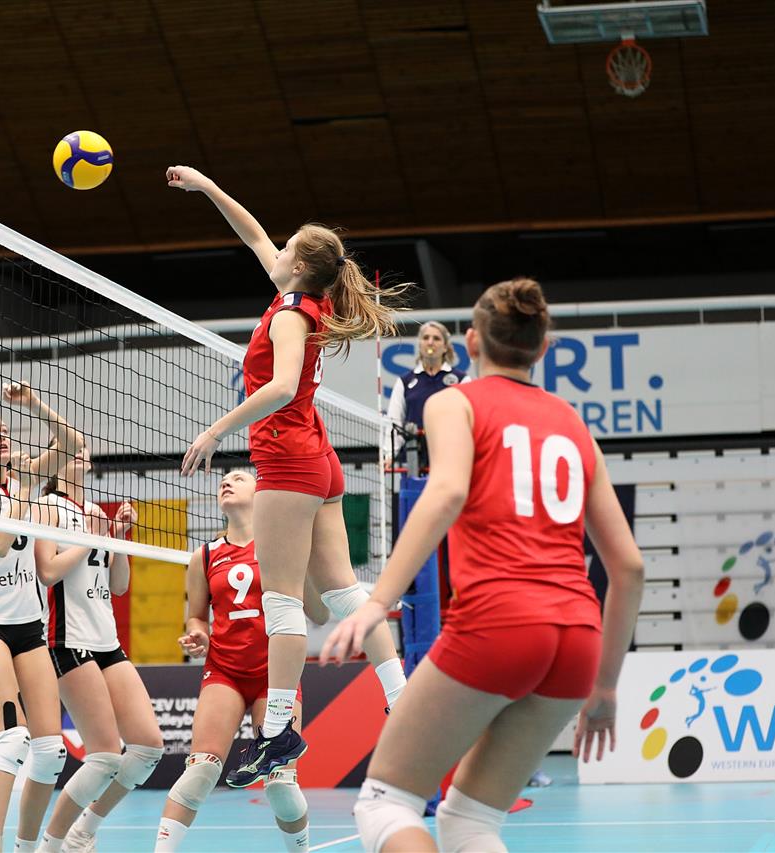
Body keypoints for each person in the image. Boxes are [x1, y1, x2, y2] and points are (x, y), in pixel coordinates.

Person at [321, 279, 646, 853]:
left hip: (499, 623)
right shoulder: (574, 425)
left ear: (471, 342)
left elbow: (446, 492)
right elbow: (630, 568)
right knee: (470, 821)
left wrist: (376, 604)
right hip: (576, 641)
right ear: (543, 348)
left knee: (384, 803)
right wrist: (607, 686)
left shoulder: (455, 403)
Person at [169, 165, 409, 787]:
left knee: (279, 600)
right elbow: (254, 236)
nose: (273, 250)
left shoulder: (289, 316)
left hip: (287, 456)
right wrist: (207, 188)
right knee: (343, 592)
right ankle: (400, 696)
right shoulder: (303, 297)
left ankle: (277, 730)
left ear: (298, 265)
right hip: (317, 455)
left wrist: (216, 431)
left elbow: (279, 388)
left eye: (287, 247)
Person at [154, 470, 329, 852]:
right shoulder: (203, 556)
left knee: (281, 784)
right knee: (200, 771)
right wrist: (198, 634)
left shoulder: (283, 544)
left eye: (238, 478)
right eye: (223, 480)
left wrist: (303, 559)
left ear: (260, 492)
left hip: (276, 675)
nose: (226, 482)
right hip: (225, 671)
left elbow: (319, 614)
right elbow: (196, 616)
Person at [0, 382, 82, 853]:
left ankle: (27, 847)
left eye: (4, 429)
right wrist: (24, 494)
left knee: (51, 751)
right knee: (13, 738)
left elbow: (72, 444)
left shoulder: (21, 478)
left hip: (30, 629)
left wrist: (35, 405)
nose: (0, 435)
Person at [32, 445, 163, 853]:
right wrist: (88, 539)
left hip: (107, 640)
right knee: (105, 756)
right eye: (71, 448)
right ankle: (49, 846)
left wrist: (117, 538)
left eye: (83, 448)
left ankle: (82, 831)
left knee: (148, 748)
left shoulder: (96, 512)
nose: (80, 451)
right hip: (67, 639)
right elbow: (47, 571)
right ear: (57, 459)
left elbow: (118, 585)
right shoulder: (47, 507)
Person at [384, 320, 469, 472]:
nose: (430, 342)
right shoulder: (405, 382)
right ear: (420, 344)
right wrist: (389, 455)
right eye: (426, 338)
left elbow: (470, 423)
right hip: (413, 463)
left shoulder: (462, 380)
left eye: (436, 338)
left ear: (445, 347)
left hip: (451, 461)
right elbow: (394, 422)